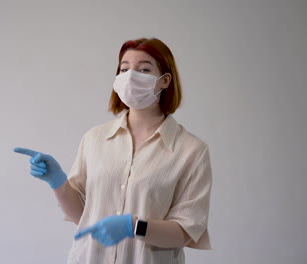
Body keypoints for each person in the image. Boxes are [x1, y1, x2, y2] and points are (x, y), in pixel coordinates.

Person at [14, 37, 212, 264]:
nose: (130, 76)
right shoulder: (94, 138)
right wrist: (57, 182)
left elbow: (186, 232)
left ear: (165, 80)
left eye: (144, 69)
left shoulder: (191, 151)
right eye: (124, 69)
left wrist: (135, 226)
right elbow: (82, 216)